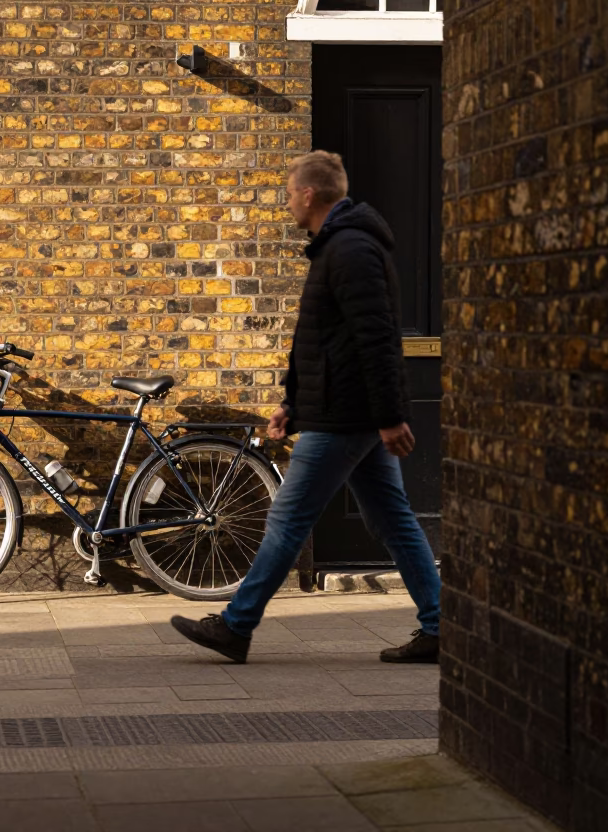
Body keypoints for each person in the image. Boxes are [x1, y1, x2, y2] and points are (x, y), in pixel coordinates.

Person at [171, 150, 441, 664]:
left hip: (347, 416)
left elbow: (376, 337)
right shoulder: (335, 247)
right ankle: (440, 624)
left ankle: (236, 624)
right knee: (394, 520)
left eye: (290, 191)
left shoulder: (351, 249)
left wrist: (388, 416)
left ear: (310, 195)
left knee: (288, 520)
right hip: (340, 410)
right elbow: (322, 342)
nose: (287, 200)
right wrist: (294, 405)